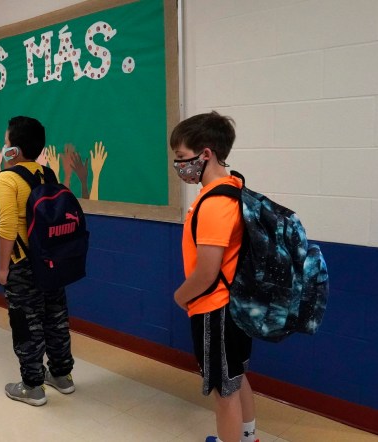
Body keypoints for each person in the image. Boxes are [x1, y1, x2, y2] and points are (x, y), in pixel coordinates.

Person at [171, 111, 258, 442]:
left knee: (224, 392)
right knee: (236, 376)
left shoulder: (214, 203)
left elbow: (207, 272)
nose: (179, 165)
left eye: (181, 156)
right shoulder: (234, 186)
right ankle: (248, 436)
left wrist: (181, 296)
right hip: (233, 305)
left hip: (215, 309)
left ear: (205, 153)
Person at [0, 116, 75, 406]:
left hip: (23, 264)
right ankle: (62, 376)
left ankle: (32, 386)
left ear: (14, 150)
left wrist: (3, 268)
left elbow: (7, 227)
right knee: (55, 318)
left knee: (26, 323)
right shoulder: (48, 174)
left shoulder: (7, 178)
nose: (4, 146)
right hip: (51, 260)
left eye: (6, 142)